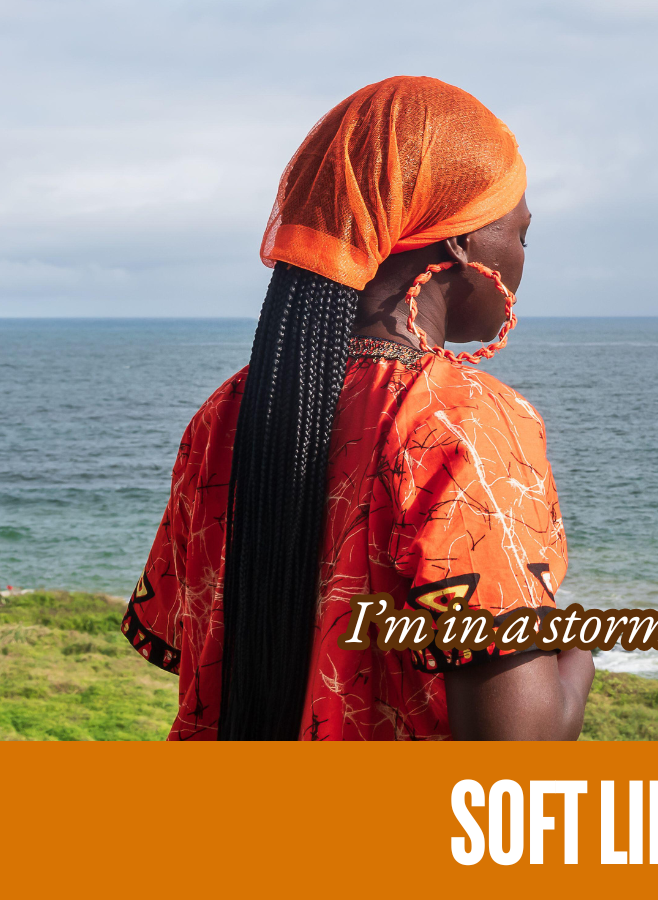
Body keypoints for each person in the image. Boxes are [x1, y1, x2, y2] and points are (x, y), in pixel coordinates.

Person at [123, 76, 593, 740]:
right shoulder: (463, 425)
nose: (521, 259)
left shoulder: (226, 412)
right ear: (457, 242)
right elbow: (520, 752)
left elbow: (203, 650)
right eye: (521, 234)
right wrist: (576, 656)